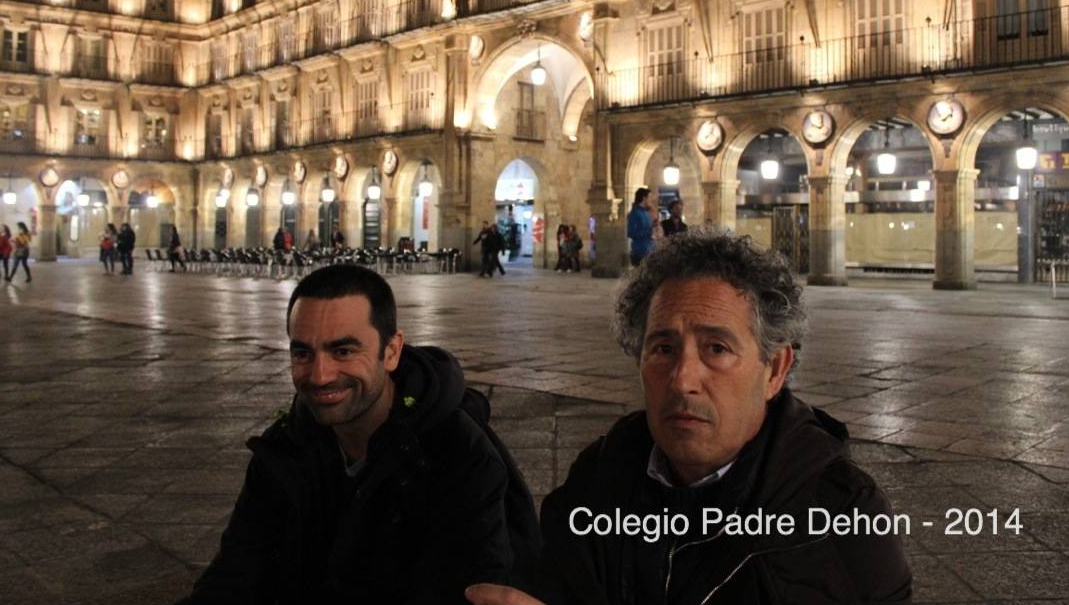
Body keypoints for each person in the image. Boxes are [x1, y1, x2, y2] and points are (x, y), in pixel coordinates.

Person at [467, 230, 912, 605]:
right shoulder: (598, 482)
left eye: (716, 349)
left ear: (775, 369)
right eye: (662, 349)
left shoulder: (843, 515)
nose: (682, 380)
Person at [180, 264, 540, 603]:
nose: (320, 375)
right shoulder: (287, 448)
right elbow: (232, 579)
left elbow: (462, 590)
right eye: (303, 352)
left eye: (344, 350)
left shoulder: (458, 456)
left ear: (392, 351)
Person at [626, 187, 654, 267]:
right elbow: (630, 232)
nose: (651, 200)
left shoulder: (646, 213)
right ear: (644, 198)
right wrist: (649, 233)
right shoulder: (635, 213)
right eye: (649, 198)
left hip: (649, 250)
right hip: (640, 253)